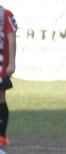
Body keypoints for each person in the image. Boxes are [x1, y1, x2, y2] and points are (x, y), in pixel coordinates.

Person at [0, 4, 16, 146]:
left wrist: (12, 62)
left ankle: (2, 135)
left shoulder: (6, 14)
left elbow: (11, 37)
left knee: (0, 98)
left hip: (1, 64)